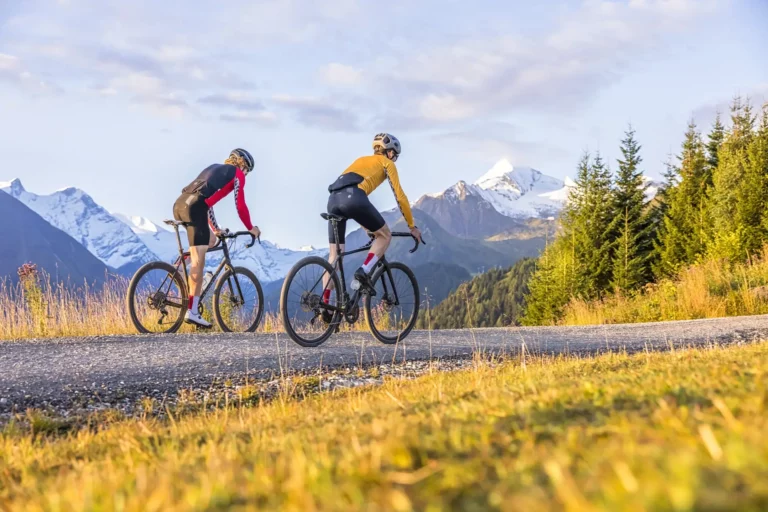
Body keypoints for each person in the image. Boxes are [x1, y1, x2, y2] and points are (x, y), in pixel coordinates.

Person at [324, 133, 422, 302]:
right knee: (385, 236)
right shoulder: (387, 163)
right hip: (354, 197)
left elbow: (349, 197)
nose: (394, 158)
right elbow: (400, 197)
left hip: (333, 200)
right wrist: (412, 226)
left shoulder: (361, 160)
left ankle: (324, 304)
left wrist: (368, 228)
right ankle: (364, 271)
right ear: (389, 152)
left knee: (334, 257)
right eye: (395, 155)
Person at [172, 148, 261, 327]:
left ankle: (177, 267)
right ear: (243, 164)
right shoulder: (237, 174)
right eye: (247, 170)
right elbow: (240, 204)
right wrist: (251, 228)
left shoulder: (214, 168)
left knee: (211, 240)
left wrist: (215, 228)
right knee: (199, 261)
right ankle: (193, 311)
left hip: (181, 204)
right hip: (195, 208)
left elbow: (208, 202)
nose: (246, 175)